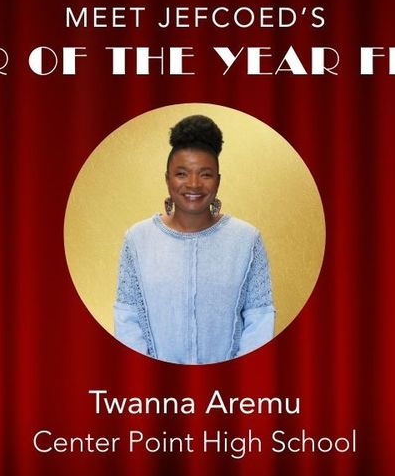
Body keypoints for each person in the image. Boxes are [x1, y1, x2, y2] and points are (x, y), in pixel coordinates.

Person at [113, 115, 275, 364]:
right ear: (167, 178)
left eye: (205, 174)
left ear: (218, 180)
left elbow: (260, 319)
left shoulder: (246, 240)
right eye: (181, 173)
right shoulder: (138, 239)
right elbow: (127, 317)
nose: (193, 184)